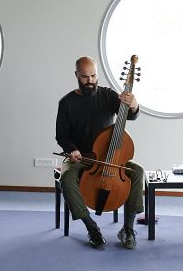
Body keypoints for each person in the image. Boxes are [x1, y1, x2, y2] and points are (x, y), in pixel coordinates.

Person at [56, 56, 144, 249]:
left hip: (110, 157)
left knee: (138, 171)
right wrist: (73, 150)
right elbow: (61, 135)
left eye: (93, 76)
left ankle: (128, 229)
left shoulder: (109, 96)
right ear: (77, 75)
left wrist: (134, 104)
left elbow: (130, 115)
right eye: (85, 77)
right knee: (68, 178)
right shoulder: (67, 102)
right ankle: (91, 227)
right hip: (81, 157)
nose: (90, 81)